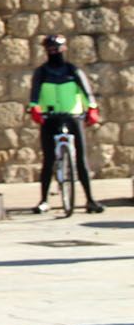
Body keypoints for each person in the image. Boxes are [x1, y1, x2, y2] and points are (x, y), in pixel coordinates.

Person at [28, 33, 104, 214]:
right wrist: (34, 108)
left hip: (73, 117)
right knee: (48, 160)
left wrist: (92, 109)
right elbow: (34, 94)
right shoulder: (42, 72)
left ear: (64, 49)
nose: (54, 52)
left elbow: (87, 93)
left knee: (81, 160)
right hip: (50, 117)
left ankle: (90, 200)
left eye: (57, 49)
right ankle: (44, 200)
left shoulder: (73, 70)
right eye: (51, 50)